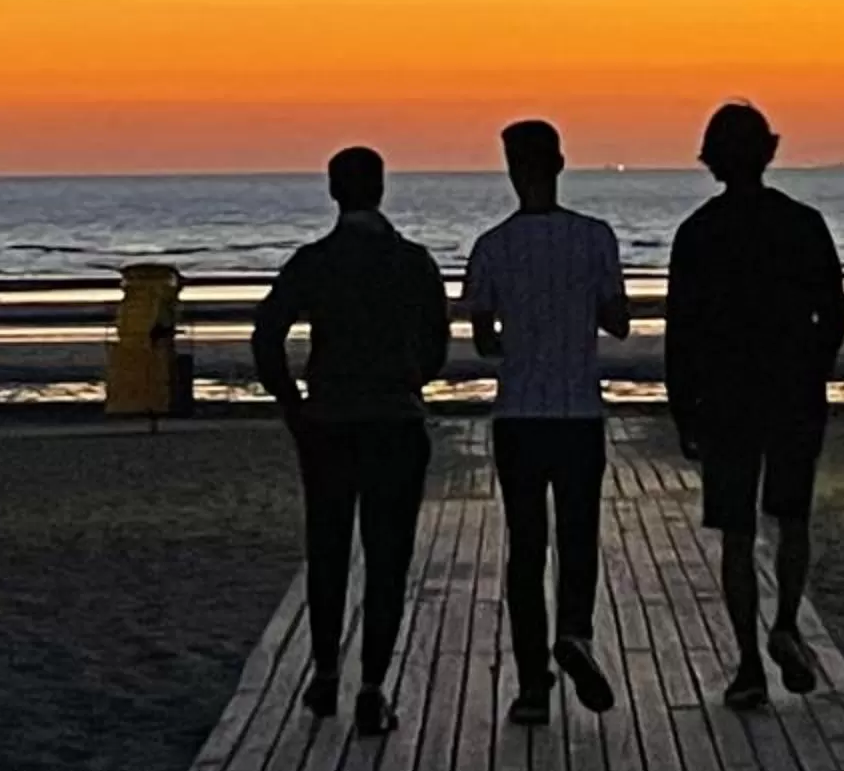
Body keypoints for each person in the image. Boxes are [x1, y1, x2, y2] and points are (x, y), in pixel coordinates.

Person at [250, 146, 451, 738]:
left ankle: (326, 670)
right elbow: (437, 347)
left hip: (329, 422)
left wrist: (293, 404)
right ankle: (372, 687)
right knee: (388, 557)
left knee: (329, 549)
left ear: (334, 192)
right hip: (394, 419)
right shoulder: (413, 262)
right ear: (382, 189)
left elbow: (267, 338)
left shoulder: (314, 261)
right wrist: (409, 376)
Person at [664, 100, 844, 710]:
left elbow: (681, 330)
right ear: (768, 152)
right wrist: (813, 370)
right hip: (792, 390)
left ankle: (747, 662)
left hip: (725, 397)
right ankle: (786, 622)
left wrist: (682, 407)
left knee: (736, 533)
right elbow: (834, 315)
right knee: (792, 518)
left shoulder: (697, 233)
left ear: (712, 160)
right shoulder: (804, 224)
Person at [462, 117, 630, 725]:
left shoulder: (492, 246)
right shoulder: (595, 238)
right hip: (578, 410)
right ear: (559, 164)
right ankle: (576, 633)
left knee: (526, 546)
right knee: (579, 534)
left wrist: (520, 334)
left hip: (519, 412)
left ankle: (533, 685)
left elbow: (483, 341)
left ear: (511, 170)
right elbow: (618, 320)